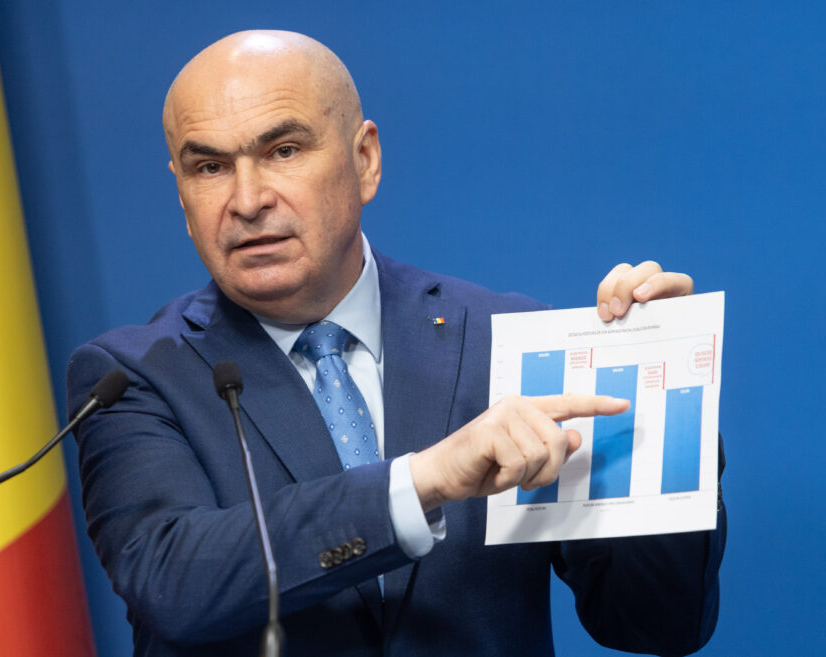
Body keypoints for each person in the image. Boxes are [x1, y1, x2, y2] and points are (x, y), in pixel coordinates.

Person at [67, 30, 725, 657]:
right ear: (182, 194)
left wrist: (666, 409)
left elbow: (655, 621)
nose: (247, 199)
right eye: (210, 166)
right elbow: (175, 582)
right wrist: (422, 481)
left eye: (284, 151)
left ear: (365, 161)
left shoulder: (505, 339)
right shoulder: (131, 376)